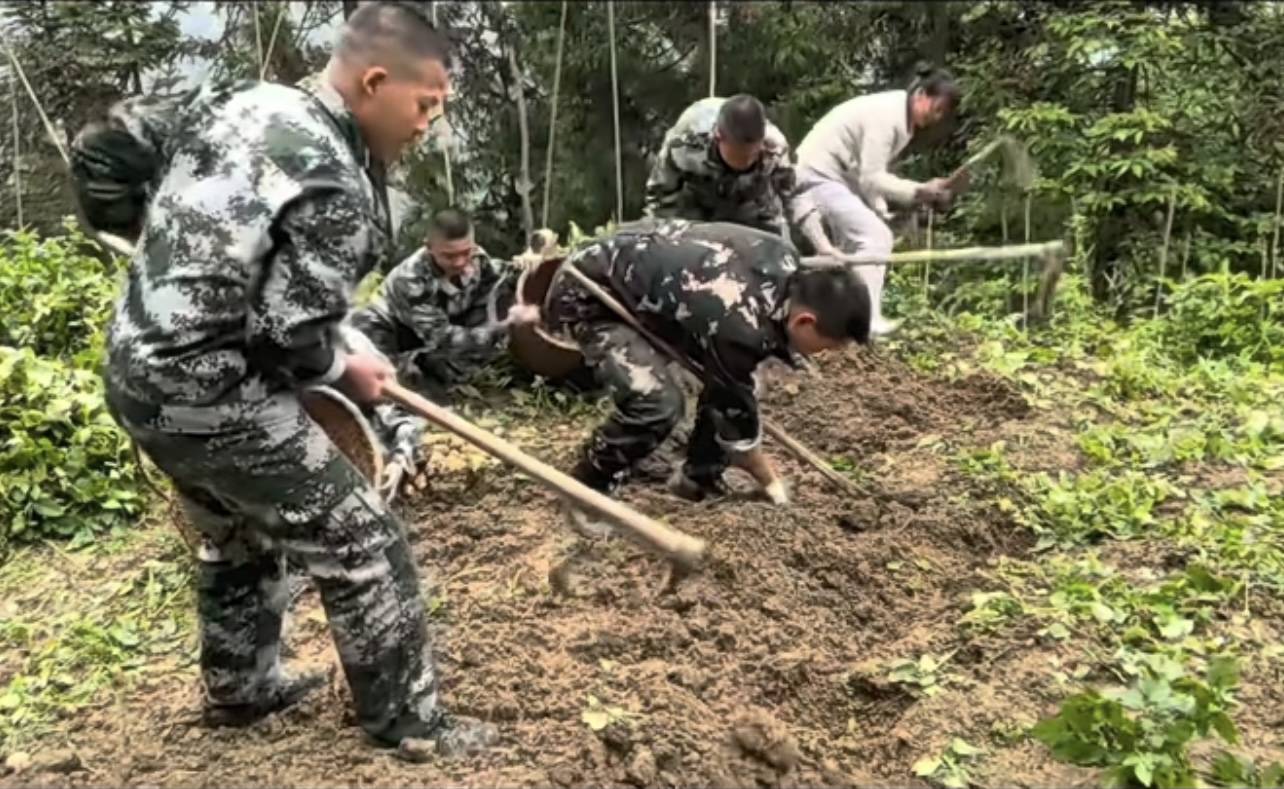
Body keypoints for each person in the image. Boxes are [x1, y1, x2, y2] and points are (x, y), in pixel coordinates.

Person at [96, 2, 496, 761]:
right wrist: (350, 365)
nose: (426, 128)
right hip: (210, 391)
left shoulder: (245, 98)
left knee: (235, 529)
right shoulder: (337, 181)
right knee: (363, 539)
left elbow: (112, 143)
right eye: (425, 106)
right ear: (376, 82)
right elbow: (292, 341)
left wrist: (133, 240)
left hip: (134, 369)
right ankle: (409, 724)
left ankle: (242, 689)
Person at [544, 219, 871, 530]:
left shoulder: (784, 259)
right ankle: (587, 486)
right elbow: (734, 404)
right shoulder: (739, 323)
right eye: (826, 347)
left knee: (732, 387)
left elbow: (734, 386)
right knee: (657, 404)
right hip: (591, 293)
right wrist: (768, 477)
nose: (822, 356)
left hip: (652, 284)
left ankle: (697, 477)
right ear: (805, 322)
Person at [348, 207, 538, 498]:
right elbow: (446, 339)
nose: (461, 262)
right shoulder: (411, 278)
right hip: (388, 333)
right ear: (429, 248)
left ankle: (425, 377)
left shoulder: (477, 260)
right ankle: (399, 430)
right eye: (449, 256)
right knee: (383, 392)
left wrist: (527, 265)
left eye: (466, 252)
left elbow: (503, 276)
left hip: (432, 334)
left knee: (455, 361)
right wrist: (505, 327)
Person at [791, 67, 964, 337]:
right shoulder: (889, 116)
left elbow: (866, 175)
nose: (936, 117)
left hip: (838, 177)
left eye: (942, 114)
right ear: (920, 94)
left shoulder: (900, 120)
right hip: (816, 174)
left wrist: (881, 210)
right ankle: (867, 321)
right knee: (876, 237)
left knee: (854, 249)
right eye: (936, 107)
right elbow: (871, 178)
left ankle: (841, 323)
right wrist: (920, 190)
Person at [644, 94, 796, 238]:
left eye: (753, 156)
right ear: (718, 137)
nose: (747, 162)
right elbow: (661, 196)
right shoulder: (686, 141)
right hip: (696, 196)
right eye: (740, 156)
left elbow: (789, 199)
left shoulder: (775, 148)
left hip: (749, 201)